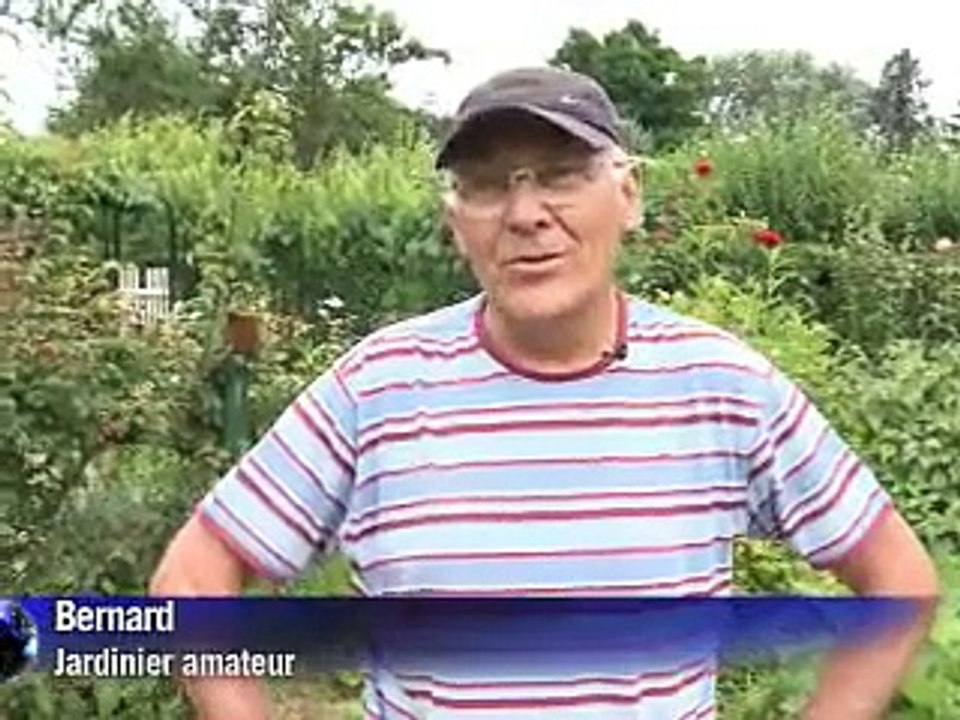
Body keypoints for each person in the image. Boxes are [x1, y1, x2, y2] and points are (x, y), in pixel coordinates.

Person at [150, 66, 939, 719]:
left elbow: (899, 580)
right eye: (488, 185)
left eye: (561, 175)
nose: (526, 214)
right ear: (455, 220)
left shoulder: (722, 387)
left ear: (628, 194)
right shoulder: (378, 388)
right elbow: (192, 578)